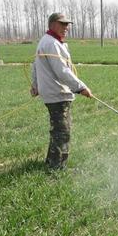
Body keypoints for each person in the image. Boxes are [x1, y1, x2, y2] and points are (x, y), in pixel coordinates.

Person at [30, 12, 92, 170]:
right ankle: (57, 168)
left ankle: (52, 162)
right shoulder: (51, 43)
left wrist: (35, 85)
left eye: (67, 24)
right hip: (57, 94)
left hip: (53, 92)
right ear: (52, 24)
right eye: (62, 24)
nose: (66, 27)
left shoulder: (49, 41)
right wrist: (81, 87)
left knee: (57, 130)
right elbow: (62, 71)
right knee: (62, 132)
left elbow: (35, 65)